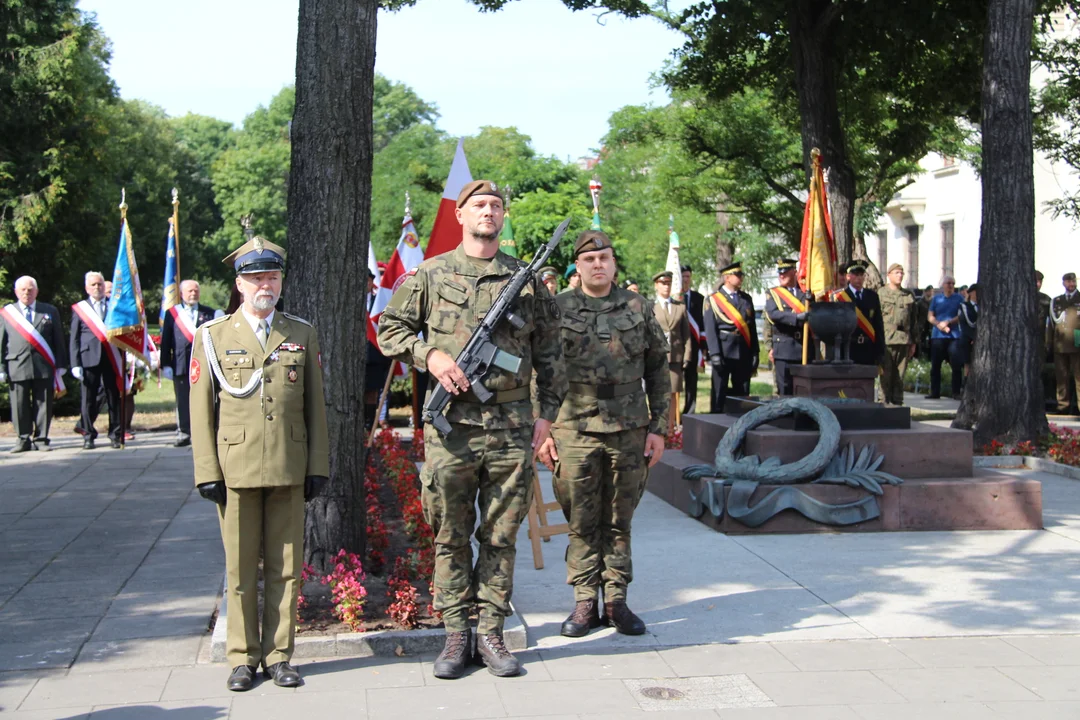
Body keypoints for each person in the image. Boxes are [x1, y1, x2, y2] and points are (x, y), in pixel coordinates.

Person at [378, 179, 566, 680]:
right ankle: (456, 633)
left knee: (502, 535)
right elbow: (389, 330)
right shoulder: (432, 274)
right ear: (461, 215)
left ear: (503, 218)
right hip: (453, 429)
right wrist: (431, 356)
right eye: (479, 205)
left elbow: (551, 356)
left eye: (496, 206)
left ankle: (492, 633)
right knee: (450, 533)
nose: (488, 212)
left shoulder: (523, 281)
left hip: (511, 427)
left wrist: (545, 419)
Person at [189, 236, 329, 692]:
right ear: (240, 284)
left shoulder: (301, 333)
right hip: (236, 469)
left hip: (289, 465)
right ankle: (242, 659)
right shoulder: (212, 337)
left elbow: (315, 406)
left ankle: (279, 656)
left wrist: (317, 466)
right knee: (240, 569)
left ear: (281, 282)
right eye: (254, 278)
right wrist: (207, 471)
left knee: (287, 570)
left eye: (270, 277)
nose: (263, 285)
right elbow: (200, 409)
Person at [535, 230, 668, 639]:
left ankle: (616, 601)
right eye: (590, 259)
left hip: (629, 428)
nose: (598, 264)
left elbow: (659, 370)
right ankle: (582, 602)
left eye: (605, 258)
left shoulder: (638, 307)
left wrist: (659, 428)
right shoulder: (556, 309)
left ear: (613, 264)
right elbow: (537, 373)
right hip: (573, 426)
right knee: (581, 517)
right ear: (578, 265)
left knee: (619, 517)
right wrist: (543, 430)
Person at [0, 276, 67, 451]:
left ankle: (41, 439)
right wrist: (1, 368)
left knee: (44, 402)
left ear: (36, 291)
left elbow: (58, 340)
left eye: (30, 289)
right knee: (19, 404)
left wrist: (61, 365)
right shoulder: (7, 313)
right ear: (16, 292)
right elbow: (1, 342)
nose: (26, 292)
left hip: (43, 365)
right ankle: (23, 439)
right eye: (22, 289)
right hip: (16, 364)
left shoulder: (49, 310)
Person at [160, 279, 222, 447]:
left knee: (206, 399)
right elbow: (166, 341)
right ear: (181, 294)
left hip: (204, 365)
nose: (193, 293)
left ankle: (205, 433)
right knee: (182, 400)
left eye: (196, 290)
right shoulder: (173, 314)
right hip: (181, 364)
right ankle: (184, 432)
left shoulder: (210, 313)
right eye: (189, 291)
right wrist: (165, 364)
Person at [70, 271, 122, 449]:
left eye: (99, 284)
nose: (97, 287)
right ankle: (88, 434)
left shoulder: (114, 307)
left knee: (113, 396)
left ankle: (115, 434)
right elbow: (74, 338)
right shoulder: (80, 309)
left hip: (111, 357)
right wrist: (75, 363)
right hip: (88, 358)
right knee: (88, 398)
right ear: (86, 288)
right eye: (93, 285)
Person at [705, 262, 758, 413]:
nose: (741, 278)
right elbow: (710, 329)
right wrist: (714, 353)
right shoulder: (714, 300)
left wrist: (755, 351)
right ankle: (716, 422)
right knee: (719, 391)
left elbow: (751, 327)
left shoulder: (746, 299)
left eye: (742, 275)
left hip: (743, 351)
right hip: (724, 351)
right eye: (738, 275)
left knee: (742, 392)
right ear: (727, 277)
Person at [764, 259, 812, 396]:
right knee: (785, 388)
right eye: (780, 273)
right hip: (784, 349)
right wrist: (796, 318)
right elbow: (774, 314)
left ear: (794, 272)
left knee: (804, 389)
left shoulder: (806, 293)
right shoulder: (773, 293)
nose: (781, 275)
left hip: (804, 348)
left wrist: (812, 300)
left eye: (785, 272)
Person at [832, 262, 885, 367]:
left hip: (868, 348)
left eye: (861, 275)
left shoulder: (872, 296)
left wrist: (880, 351)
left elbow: (878, 325)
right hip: (848, 349)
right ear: (848, 276)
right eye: (855, 274)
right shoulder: (841, 296)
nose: (859, 278)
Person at [878, 263, 917, 405]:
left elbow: (914, 320)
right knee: (885, 375)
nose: (900, 275)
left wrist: (914, 342)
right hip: (887, 339)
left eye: (901, 273)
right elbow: (876, 318)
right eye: (896, 273)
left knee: (900, 376)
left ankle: (897, 403)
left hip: (904, 339)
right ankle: (883, 402)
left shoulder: (908, 295)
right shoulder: (881, 293)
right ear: (889, 275)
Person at [651, 270, 692, 399]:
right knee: (657, 395)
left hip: (675, 358)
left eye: (668, 283)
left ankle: (672, 420)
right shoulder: (649, 307)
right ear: (656, 285)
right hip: (656, 359)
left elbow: (686, 335)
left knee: (673, 394)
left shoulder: (680, 307)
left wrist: (687, 356)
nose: (666, 286)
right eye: (663, 283)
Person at [926, 275, 964, 399]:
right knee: (936, 365)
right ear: (943, 285)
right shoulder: (936, 299)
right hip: (938, 336)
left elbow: (961, 316)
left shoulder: (959, 299)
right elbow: (930, 316)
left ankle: (956, 392)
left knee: (956, 365)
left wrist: (948, 322)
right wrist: (939, 325)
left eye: (952, 283)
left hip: (954, 336)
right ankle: (935, 392)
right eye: (948, 283)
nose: (950, 285)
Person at [1052, 271, 1080, 414]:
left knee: (1079, 377)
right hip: (1060, 345)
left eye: (1073, 281)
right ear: (1063, 283)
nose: (1071, 284)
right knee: (1061, 377)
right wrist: (1049, 343)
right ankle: (1062, 406)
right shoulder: (1056, 301)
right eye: (1068, 281)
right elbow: (1052, 324)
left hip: (1077, 345)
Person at [681, 265, 705, 414]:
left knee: (692, 381)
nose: (685, 280)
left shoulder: (699, 298)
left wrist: (704, 346)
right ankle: (673, 417)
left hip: (694, 345)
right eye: (682, 276)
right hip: (678, 346)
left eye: (687, 276)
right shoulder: (673, 298)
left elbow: (702, 324)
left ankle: (690, 412)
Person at [1037, 270, 1056, 408]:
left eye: (1040, 281)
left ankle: (1039, 400)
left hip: (1040, 340)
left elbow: (1052, 322)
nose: (1038, 284)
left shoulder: (1046, 299)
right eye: (1036, 281)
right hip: (1021, 342)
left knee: (1039, 372)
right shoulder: (1019, 297)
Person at [954, 283, 979, 372]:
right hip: (967, 337)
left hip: (976, 338)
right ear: (971, 293)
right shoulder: (964, 306)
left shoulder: (981, 306)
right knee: (967, 363)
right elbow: (970, 322)